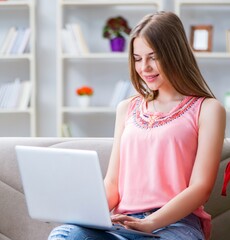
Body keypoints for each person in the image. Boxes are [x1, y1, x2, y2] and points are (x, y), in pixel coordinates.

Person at [48, 11, 226, 240]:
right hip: (124, 224)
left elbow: (201, 188)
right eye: (138, 58)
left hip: (177, 225)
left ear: (175, 54)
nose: (145, 68)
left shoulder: (209, 109)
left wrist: (151, 222)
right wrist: (86, 215)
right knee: (64, 234)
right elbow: (112, 183)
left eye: (153, 57)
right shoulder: (127, 108)